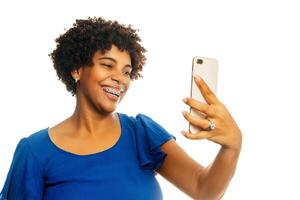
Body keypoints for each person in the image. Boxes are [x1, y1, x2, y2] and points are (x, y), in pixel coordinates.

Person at [0, 17, 242, 200]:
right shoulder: (35, 152)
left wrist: (231, 147)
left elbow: (204, 189)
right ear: (76, 70)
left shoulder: (141, 133)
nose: (120, 79)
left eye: (127, 72)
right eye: (107, 65)